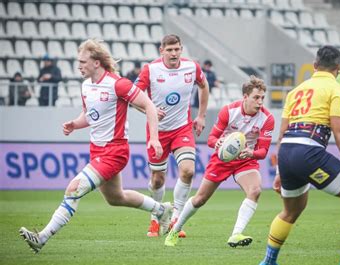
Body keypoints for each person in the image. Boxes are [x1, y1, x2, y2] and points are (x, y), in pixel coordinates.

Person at [19, 39, 173, 253]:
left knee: (73, 189)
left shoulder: (117, 84)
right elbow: (90, 116)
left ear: (97, 62)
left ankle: (41, 238)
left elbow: (148, 105)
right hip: (98, 151)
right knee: (116, 198)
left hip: (115, 151)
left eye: (83, 61)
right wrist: (75, 123)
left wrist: (154, 138)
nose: (79, 66)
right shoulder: (85, 86)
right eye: (78, 61)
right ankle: (162, 210)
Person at [256, 46, 340, 265]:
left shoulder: (295, 91)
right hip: (309, 151)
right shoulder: (337, 89)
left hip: (286, 152)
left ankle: (268, 263)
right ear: (339, 68)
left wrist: (278, 172)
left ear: (314, 66)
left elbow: (282, 133)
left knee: (292, 210)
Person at [164, 75, 274, 248]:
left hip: (246, 161)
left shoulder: (267, 119)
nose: (260, 102)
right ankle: (175, 230)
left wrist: (251, 153)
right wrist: (219, 143)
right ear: (245, 97)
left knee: (255, 190)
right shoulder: (229, 111)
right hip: (222, 159)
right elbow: (211, 139)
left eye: (262, 98)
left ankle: (236, 234)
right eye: (256, 97)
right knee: (200, 199)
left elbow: (263, 151)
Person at [135, 34, 209, 238]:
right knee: (158, 180)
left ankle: (176, 217)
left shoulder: (191, 67)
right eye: (169, 50)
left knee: (188, 171)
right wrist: (148, 110)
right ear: (162, 51)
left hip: (182, 129)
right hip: (157, 132)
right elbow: (133, 97)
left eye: (177, 49)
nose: (174, 53)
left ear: (181, 49)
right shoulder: (150, 70)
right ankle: (156, 216)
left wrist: (201, 116)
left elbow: (204, 86)